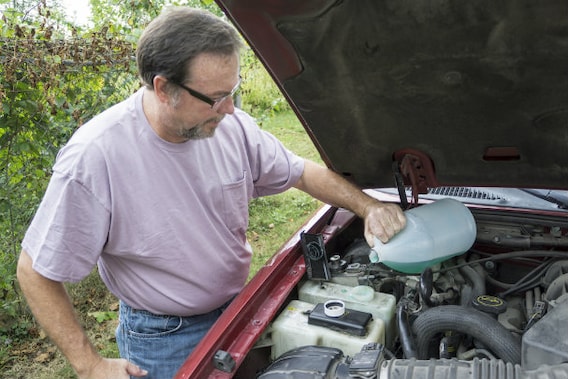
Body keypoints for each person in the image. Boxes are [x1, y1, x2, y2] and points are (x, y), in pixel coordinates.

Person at [16, 6, 406, 379]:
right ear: (163, 88)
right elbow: (35, 270)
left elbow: (301, 172)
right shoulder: (95, 157)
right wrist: (88, 364)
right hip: (164, 338)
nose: (231, 109)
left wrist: (368, 205)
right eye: (216, 98)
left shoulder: (228, 127)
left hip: (240, 310)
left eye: (232, 90)